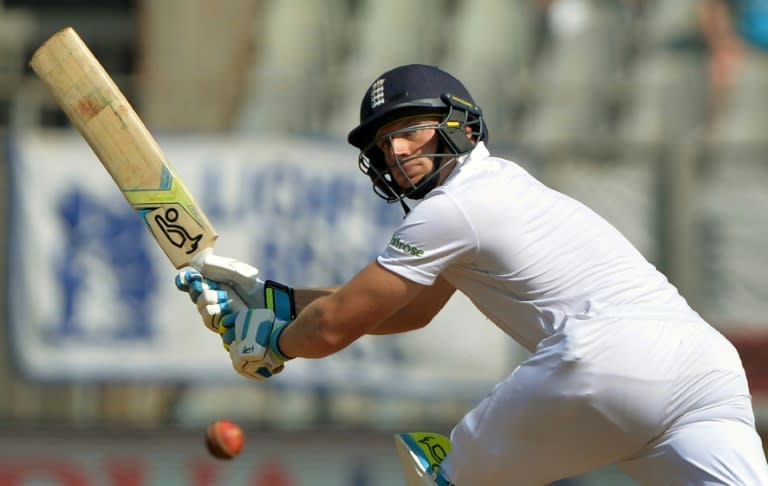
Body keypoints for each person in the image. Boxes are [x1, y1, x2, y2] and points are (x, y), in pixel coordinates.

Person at [176, 64, 768, 485]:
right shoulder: (495, 193)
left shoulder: (451, 208)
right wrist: (273, 298)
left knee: (445, 479)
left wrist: (273, 342)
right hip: (706, 366)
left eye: (411, 128)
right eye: (384, 144)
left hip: (607, 359)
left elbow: (333, 327)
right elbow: (407, 309)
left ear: (459, 124)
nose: (398, 151)